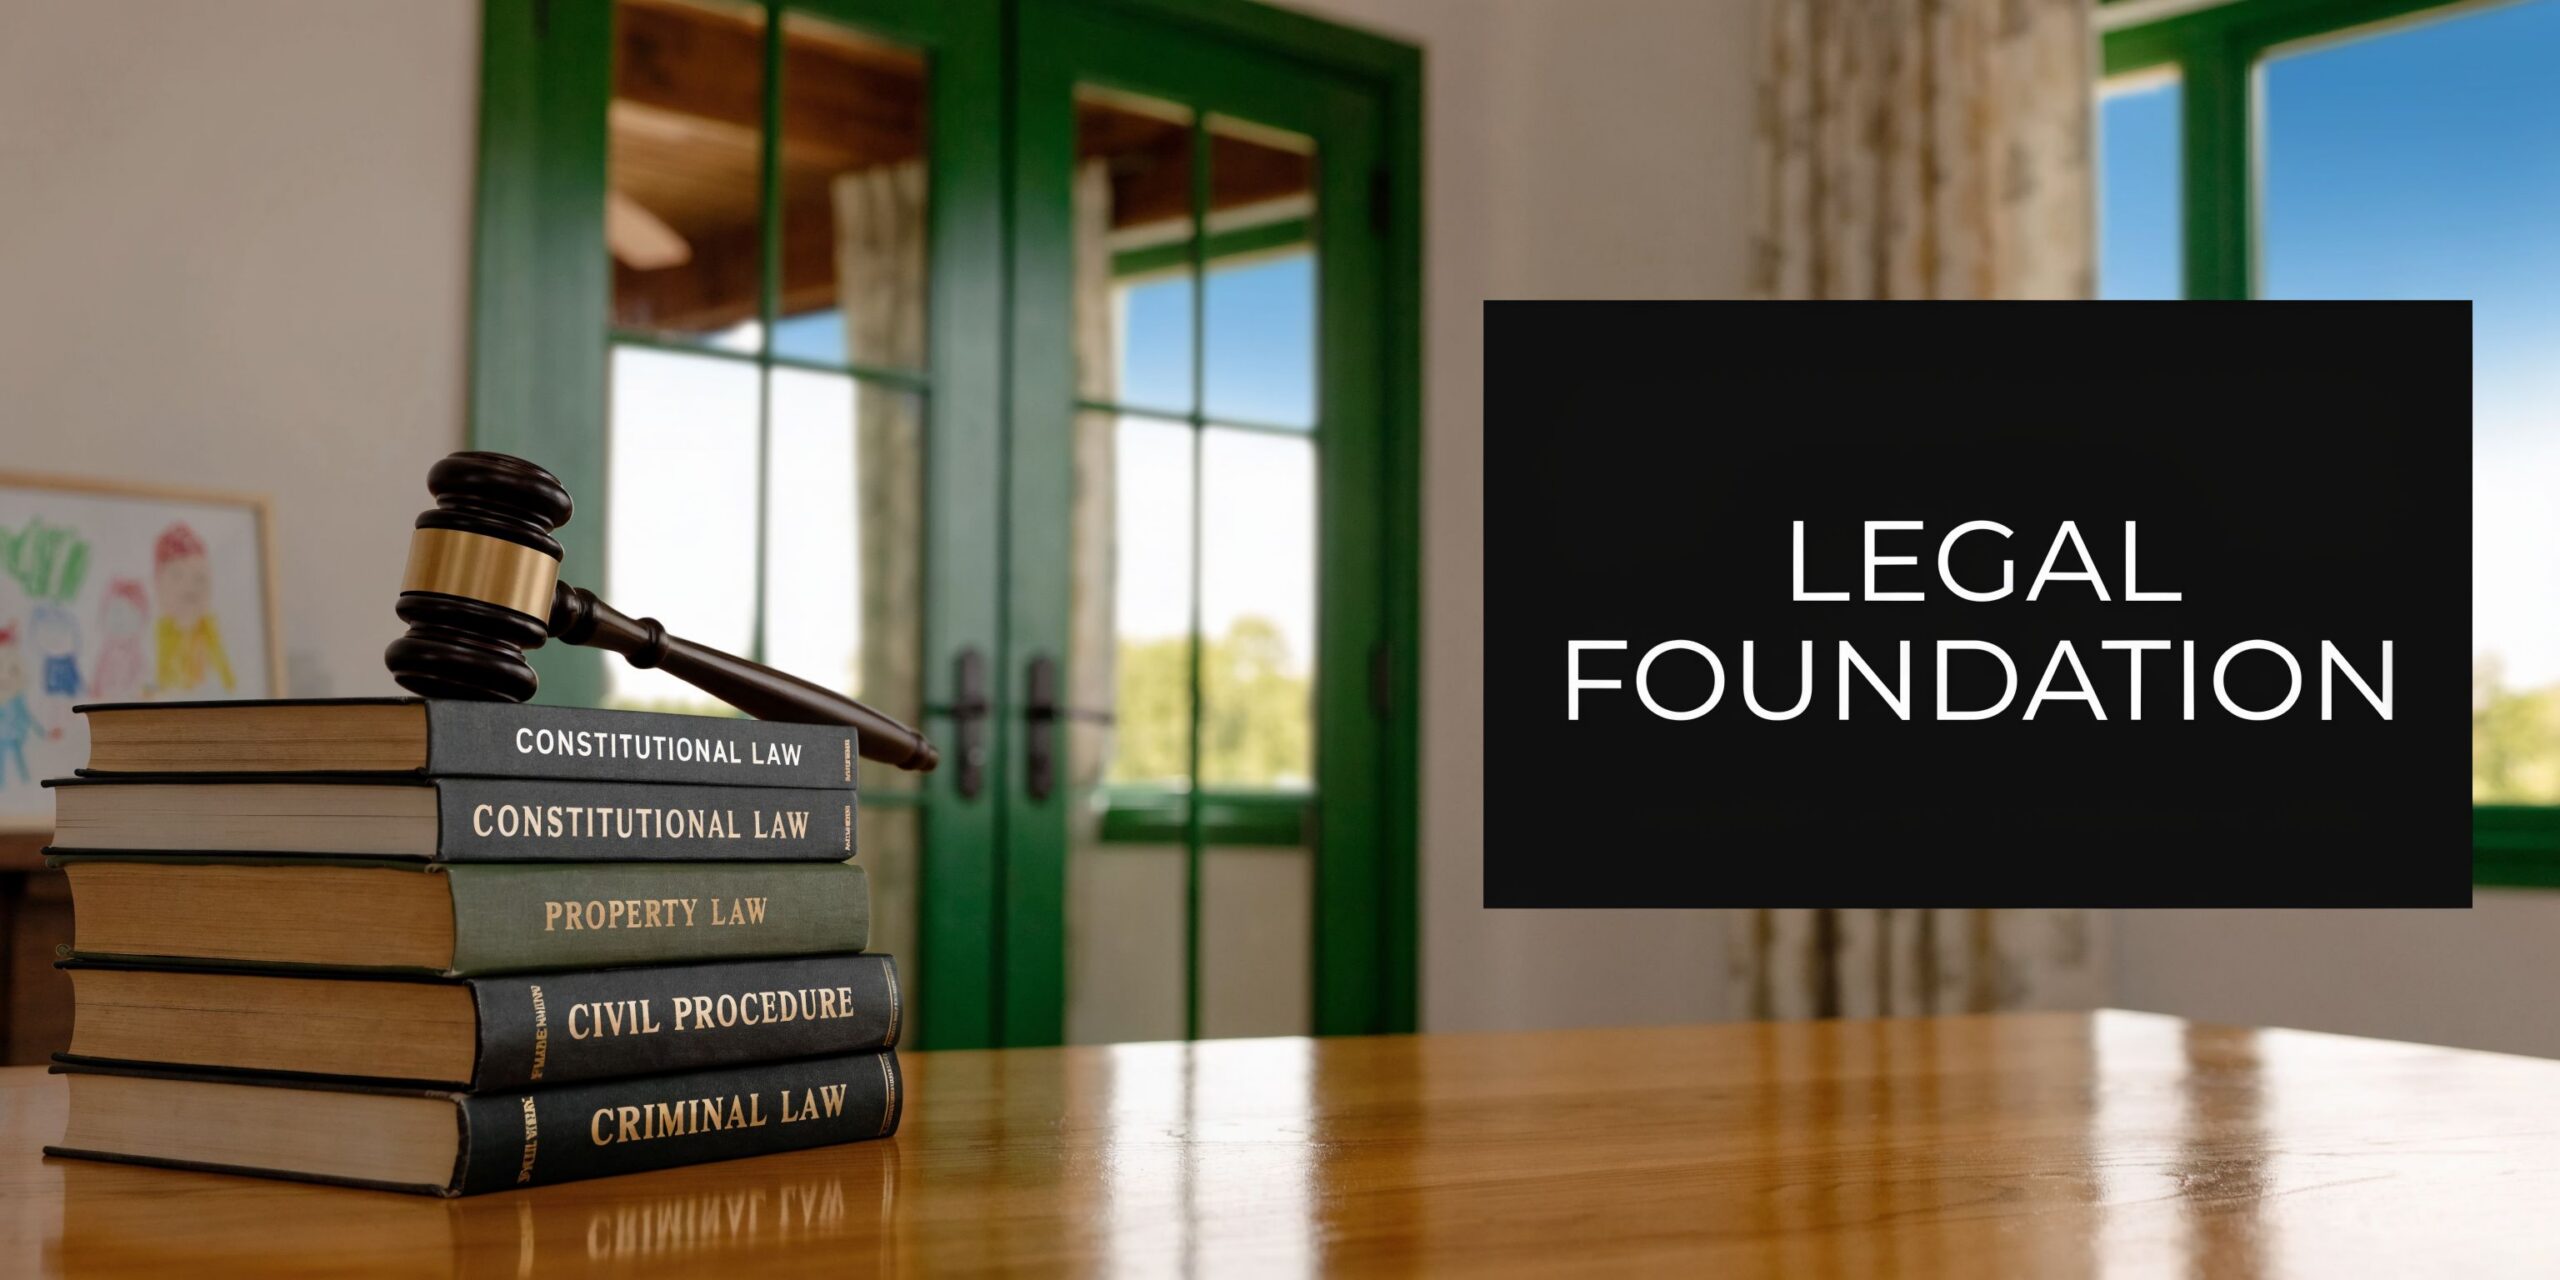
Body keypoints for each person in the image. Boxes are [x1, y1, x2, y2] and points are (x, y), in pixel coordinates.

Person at [152, 523, 234, 693]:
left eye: (199, 578)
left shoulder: (212, 636)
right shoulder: (155, 639)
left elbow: (228, 684)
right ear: (158, 584)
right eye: (177, 575)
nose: (189, 587)